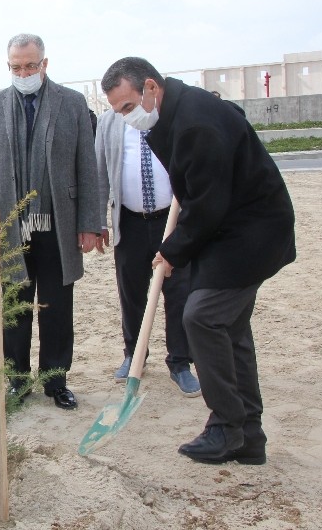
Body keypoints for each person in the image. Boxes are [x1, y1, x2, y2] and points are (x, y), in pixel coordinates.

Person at [101, 57, 296, 465]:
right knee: (231, 328)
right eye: (117, 111)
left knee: (202, 317)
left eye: (126, 107)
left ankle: (227, 428)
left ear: (150, 88)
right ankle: (249, 436)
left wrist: (171, 251)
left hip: (251, 233)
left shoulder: (195, 122)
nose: (124, 118)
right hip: (231, 231)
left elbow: (208, 204)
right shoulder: (172, 113)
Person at [0, 34, 102, 410]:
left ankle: (55, 381)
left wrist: (90, 222)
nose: (24, 72)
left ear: (45, 63)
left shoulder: (72, 103)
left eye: (31, 65)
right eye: (17, 67)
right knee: (14, 307)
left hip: (58, 223)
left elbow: (86, 167)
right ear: (8, 65)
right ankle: (17, 381)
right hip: (11, 225)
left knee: (58, 307)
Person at [94, 108, 201, 397]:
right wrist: (98, 222)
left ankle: (180, 363)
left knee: (178, 292)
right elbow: (100, 172)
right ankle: (134, 355)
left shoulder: (169, 116)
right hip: (130, 221)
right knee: (131, 291)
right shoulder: (109, 122)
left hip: (171, 219)